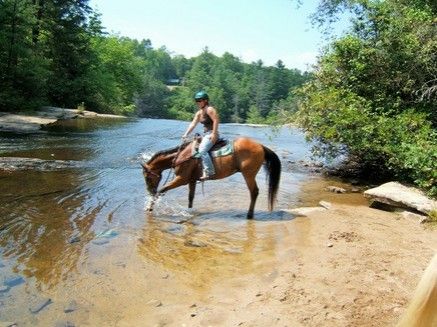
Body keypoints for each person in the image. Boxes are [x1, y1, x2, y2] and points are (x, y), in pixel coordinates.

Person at [182, 90, 220, 181]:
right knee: (191, 149)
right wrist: (186, 134)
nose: (198, 102)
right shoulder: (199, 113)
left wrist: (214, 133)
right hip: (205, 134)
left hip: (211, 133)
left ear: (205, 101)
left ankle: (209, 172)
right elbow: (193, 124)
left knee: (202, 150)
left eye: (200, 100)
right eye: (196, 101)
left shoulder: (209, 109)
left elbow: (216, 120)